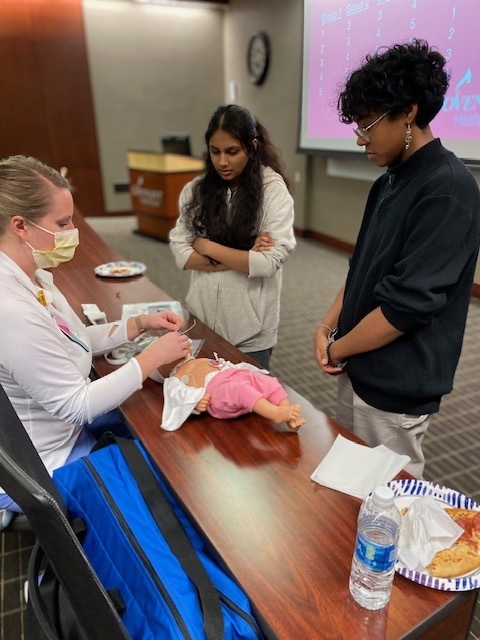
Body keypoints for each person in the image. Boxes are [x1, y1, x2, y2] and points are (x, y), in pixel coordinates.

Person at [314, 40, 480, 478]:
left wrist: (338, 347)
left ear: (408, 112)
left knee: (386, 509)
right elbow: (362, 267)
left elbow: (405, 306)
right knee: (347, 489)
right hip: (358, 363)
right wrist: (328, 326)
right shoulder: (389, 180)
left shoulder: (448, 188)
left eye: (367, 125)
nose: (360, 138)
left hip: (397, 380)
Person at [0, 155, 191, 520]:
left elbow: (73, 338)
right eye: (62, 222)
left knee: (160, 433)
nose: (73, 231)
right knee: (165, 481)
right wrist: (151, 357)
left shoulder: (33, 276)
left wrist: (138, 325)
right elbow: (76, 404)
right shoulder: (10, 308)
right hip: (47, 462)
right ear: (21, 226)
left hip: (63, 432)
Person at [169, 104, 296, 370]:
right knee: (201, 396)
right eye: (215, 152)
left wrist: (207, 246)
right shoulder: (196, 190)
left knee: (247, 404)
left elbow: (267, 264)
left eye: (232, 152)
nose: (222, 162)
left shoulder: (272, 191)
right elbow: (181, 251)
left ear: (252, 147)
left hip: (250, 334)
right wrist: (244, 253)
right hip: (200, 320)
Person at [151, 353, 305, 432]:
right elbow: (177, 397)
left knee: (266, 381)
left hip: (234, 375)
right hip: (218, 392)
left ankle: (288, 414)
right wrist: (195, 402)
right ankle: (275, 413)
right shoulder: (174, 378)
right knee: (240, 391)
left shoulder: (194, 359)